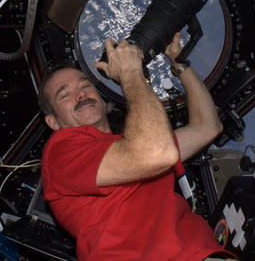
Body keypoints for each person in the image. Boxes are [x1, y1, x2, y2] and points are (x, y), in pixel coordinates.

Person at [40, 32, 235, 261]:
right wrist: (130, 73)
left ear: (103, 101)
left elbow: (207, 127)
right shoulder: (60, 153)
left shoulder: (133, 144)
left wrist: (179, 62)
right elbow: (156, 153)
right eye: (65, 95)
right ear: (53, 121)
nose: (80, 94)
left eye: (85, 85)